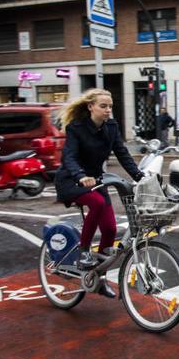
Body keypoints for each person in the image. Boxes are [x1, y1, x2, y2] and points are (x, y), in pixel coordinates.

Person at [54, 89, 144, 298]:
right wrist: (80, 175)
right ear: (90, 107)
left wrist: (140, 176)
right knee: (96, 203)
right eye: (103, 106)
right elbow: (69, 157)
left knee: (110, 229)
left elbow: (122, 154)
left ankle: (99, 278)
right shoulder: (76, 128)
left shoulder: (111, 127)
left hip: (95, 180)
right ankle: (84, 251)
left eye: (110, 106)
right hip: (72, 180)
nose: (108, 110)